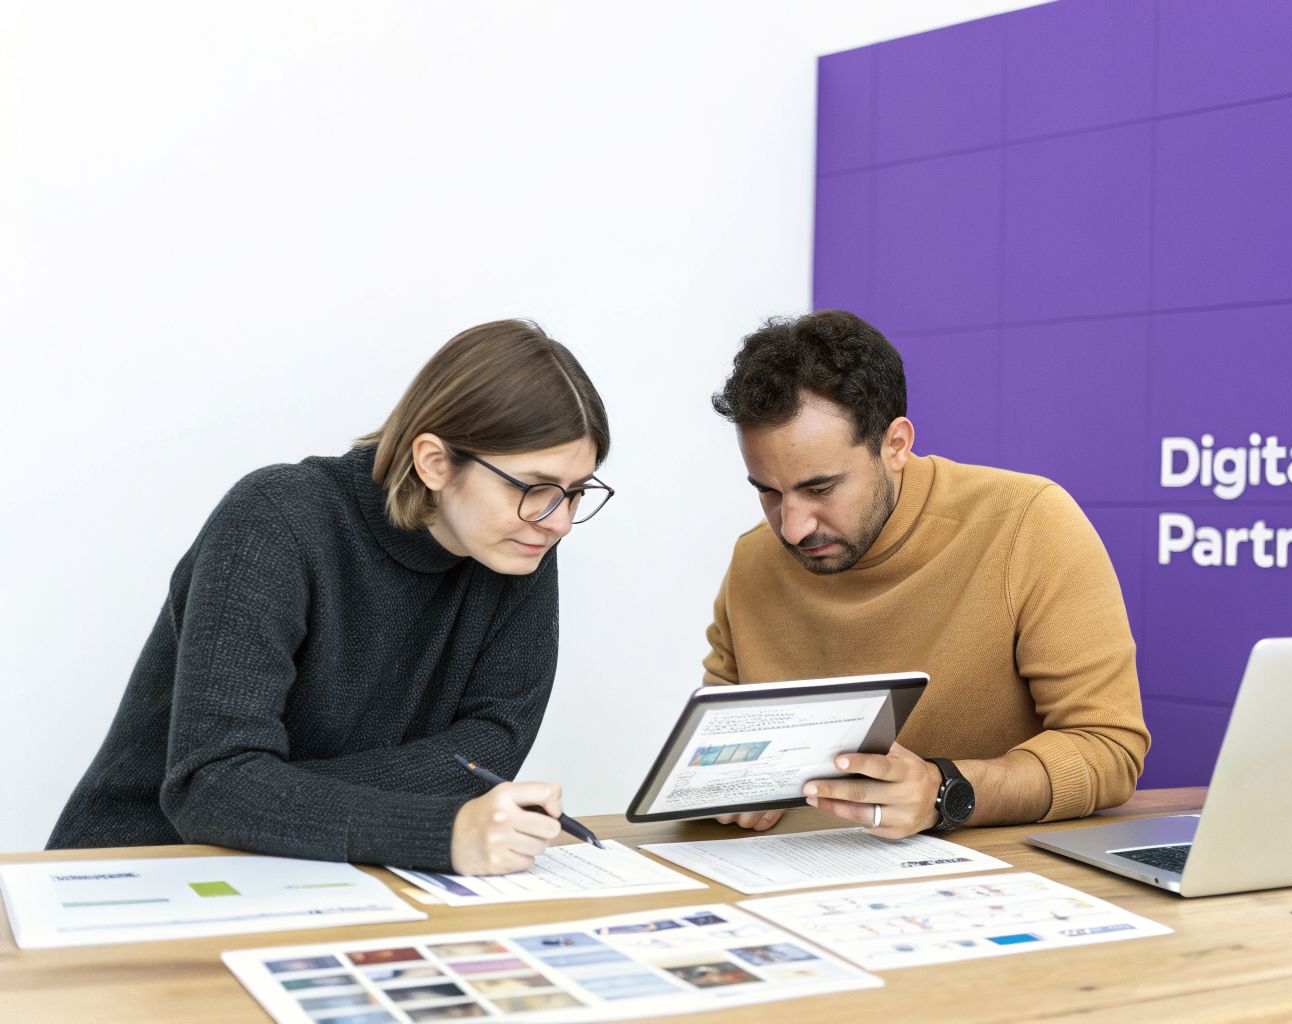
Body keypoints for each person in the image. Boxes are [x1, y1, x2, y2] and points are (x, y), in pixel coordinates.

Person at [48, 320, 612, 875]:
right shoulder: (275, 519)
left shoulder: (519, 541)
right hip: (143, 872)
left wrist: (271, 792)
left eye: (575, 491)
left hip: (334, 875)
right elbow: (210, 785)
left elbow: (491, 747)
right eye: (534, 487)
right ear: (435, 462)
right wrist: (438, 830)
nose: (559, 519)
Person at [702, 310, 1149, 838]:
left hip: (987, 881)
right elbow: (715, 744)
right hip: (794, 878)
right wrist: (720, 785)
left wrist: (946, 791)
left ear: (896, 445)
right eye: (769, 492)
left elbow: (1108, 747)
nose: (794, 527)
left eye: (820, 489)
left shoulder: (1029, 523)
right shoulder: (755, 559)